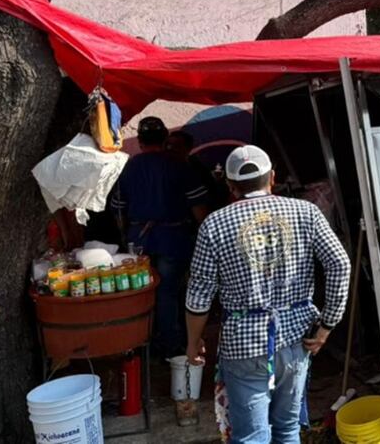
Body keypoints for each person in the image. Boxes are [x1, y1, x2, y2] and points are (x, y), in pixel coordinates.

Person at [184, 145, 351, 444]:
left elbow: (199, 295)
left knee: (251, 436)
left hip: (244, 344)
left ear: (230, 186)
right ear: (272, 177)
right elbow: (340, 263)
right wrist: (327, 326)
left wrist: (193, 341)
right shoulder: (305, 211)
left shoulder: (214, 224)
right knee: (287, 429)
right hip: (297, 338)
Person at [111, 117, 209, 358]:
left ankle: (139, 344)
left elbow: (118, 209)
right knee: (168, 293)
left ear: (141, 141)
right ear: (165, 138)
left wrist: (127, 236)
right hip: (173, 240)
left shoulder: (128, 167)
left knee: (139, 292)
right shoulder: (179, 166)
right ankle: (170, 346)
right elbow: (200, 210)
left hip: (139, 241)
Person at [167, 130, 229, 210]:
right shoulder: (161, 167)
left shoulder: (196, 170)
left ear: (188, 149)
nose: (170, 148)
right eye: (168, 145)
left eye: (177, 145)